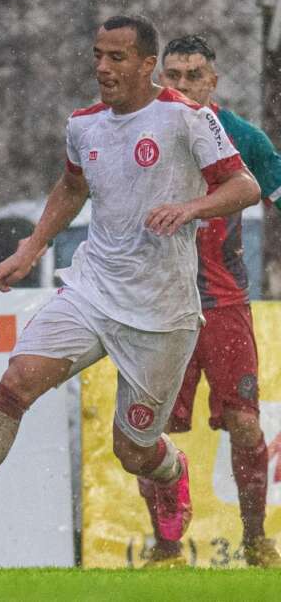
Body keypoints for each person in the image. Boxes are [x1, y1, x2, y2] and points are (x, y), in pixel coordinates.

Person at [0, 15, 261, 560]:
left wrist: (191, 207)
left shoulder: (188, 119)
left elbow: (245, 185)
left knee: (132, 450)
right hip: (92, 289)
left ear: (147, 66)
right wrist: (30, 247)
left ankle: (167, 470)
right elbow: (71, 185)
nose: (103, 67)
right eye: (98, 55)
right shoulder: (84, 125)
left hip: (162, 313)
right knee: (17, 382)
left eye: (117, 58)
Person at [133, 34, 281, 567]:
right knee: (145, 431)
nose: (183, 85)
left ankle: (256, 540)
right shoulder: (139, 130)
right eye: (173, 76)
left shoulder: (242, 137)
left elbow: (278, 189)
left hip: (222, 301)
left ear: (213, 81)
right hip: (155, 302)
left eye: (194, 75)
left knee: (244, 423)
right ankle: (167, 546)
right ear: (159, 79)